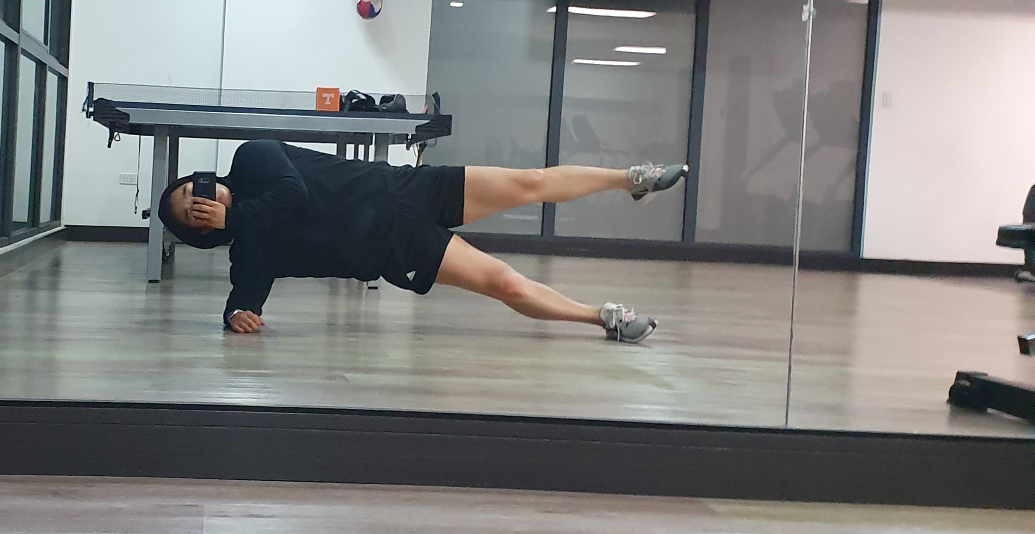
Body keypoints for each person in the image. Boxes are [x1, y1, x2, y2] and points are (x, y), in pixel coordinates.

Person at [158, 141, 688, 343]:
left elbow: (292, 194)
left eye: (192, 190)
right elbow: (244, 298)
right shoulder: (249, 249)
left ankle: (630, 179)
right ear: (201, 234)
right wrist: (235, 315)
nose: (199, 200)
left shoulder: (251, 158)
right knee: (503, 282)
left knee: (530, 181)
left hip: (409, 190)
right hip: (398, 249)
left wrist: (234, 217)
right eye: (191, 213)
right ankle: (604, 318)